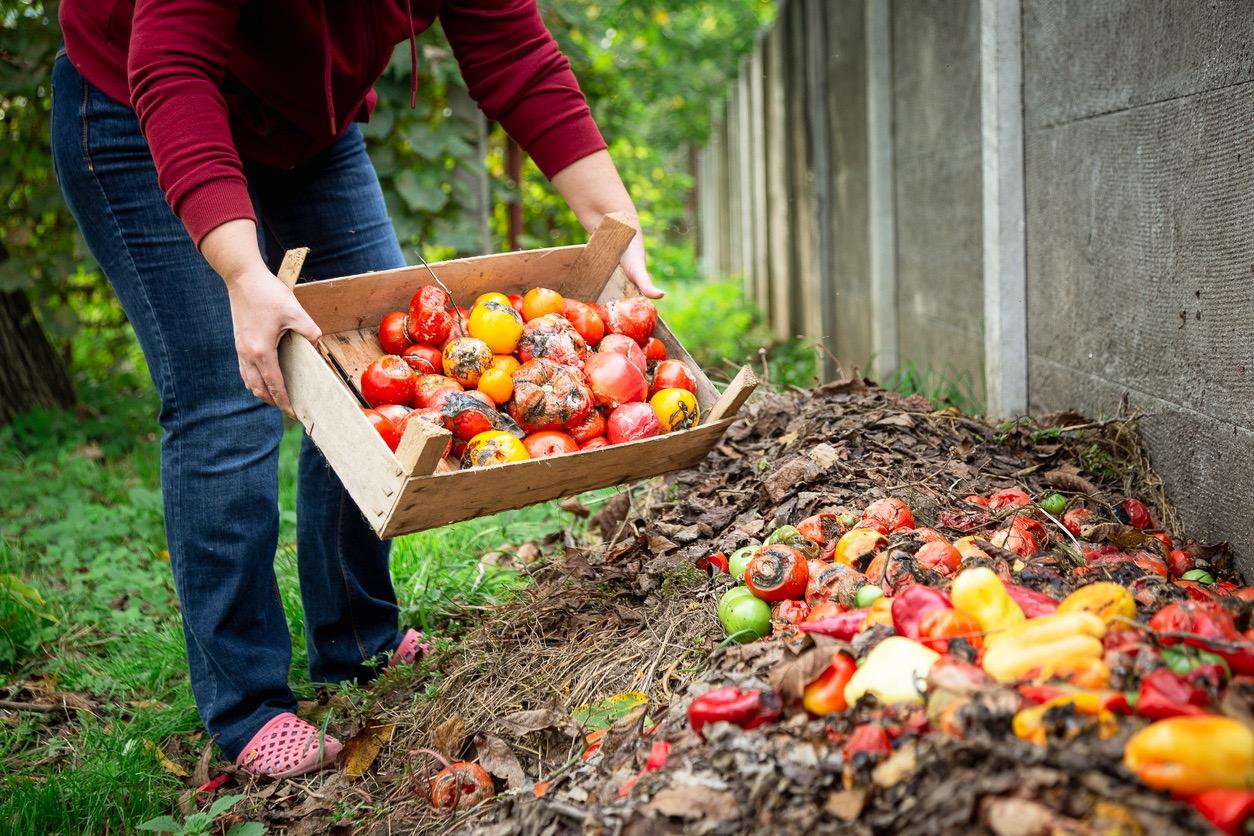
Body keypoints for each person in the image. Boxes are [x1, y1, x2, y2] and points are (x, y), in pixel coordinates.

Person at [51, 0, 659, 779]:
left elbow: (516, 55)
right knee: (228, 397)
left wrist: (616, 226)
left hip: (306, 134)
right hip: (140, 109)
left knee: (365, 371)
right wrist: (243, 272)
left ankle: (356, 640)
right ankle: (245, 705)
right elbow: (172, 65)